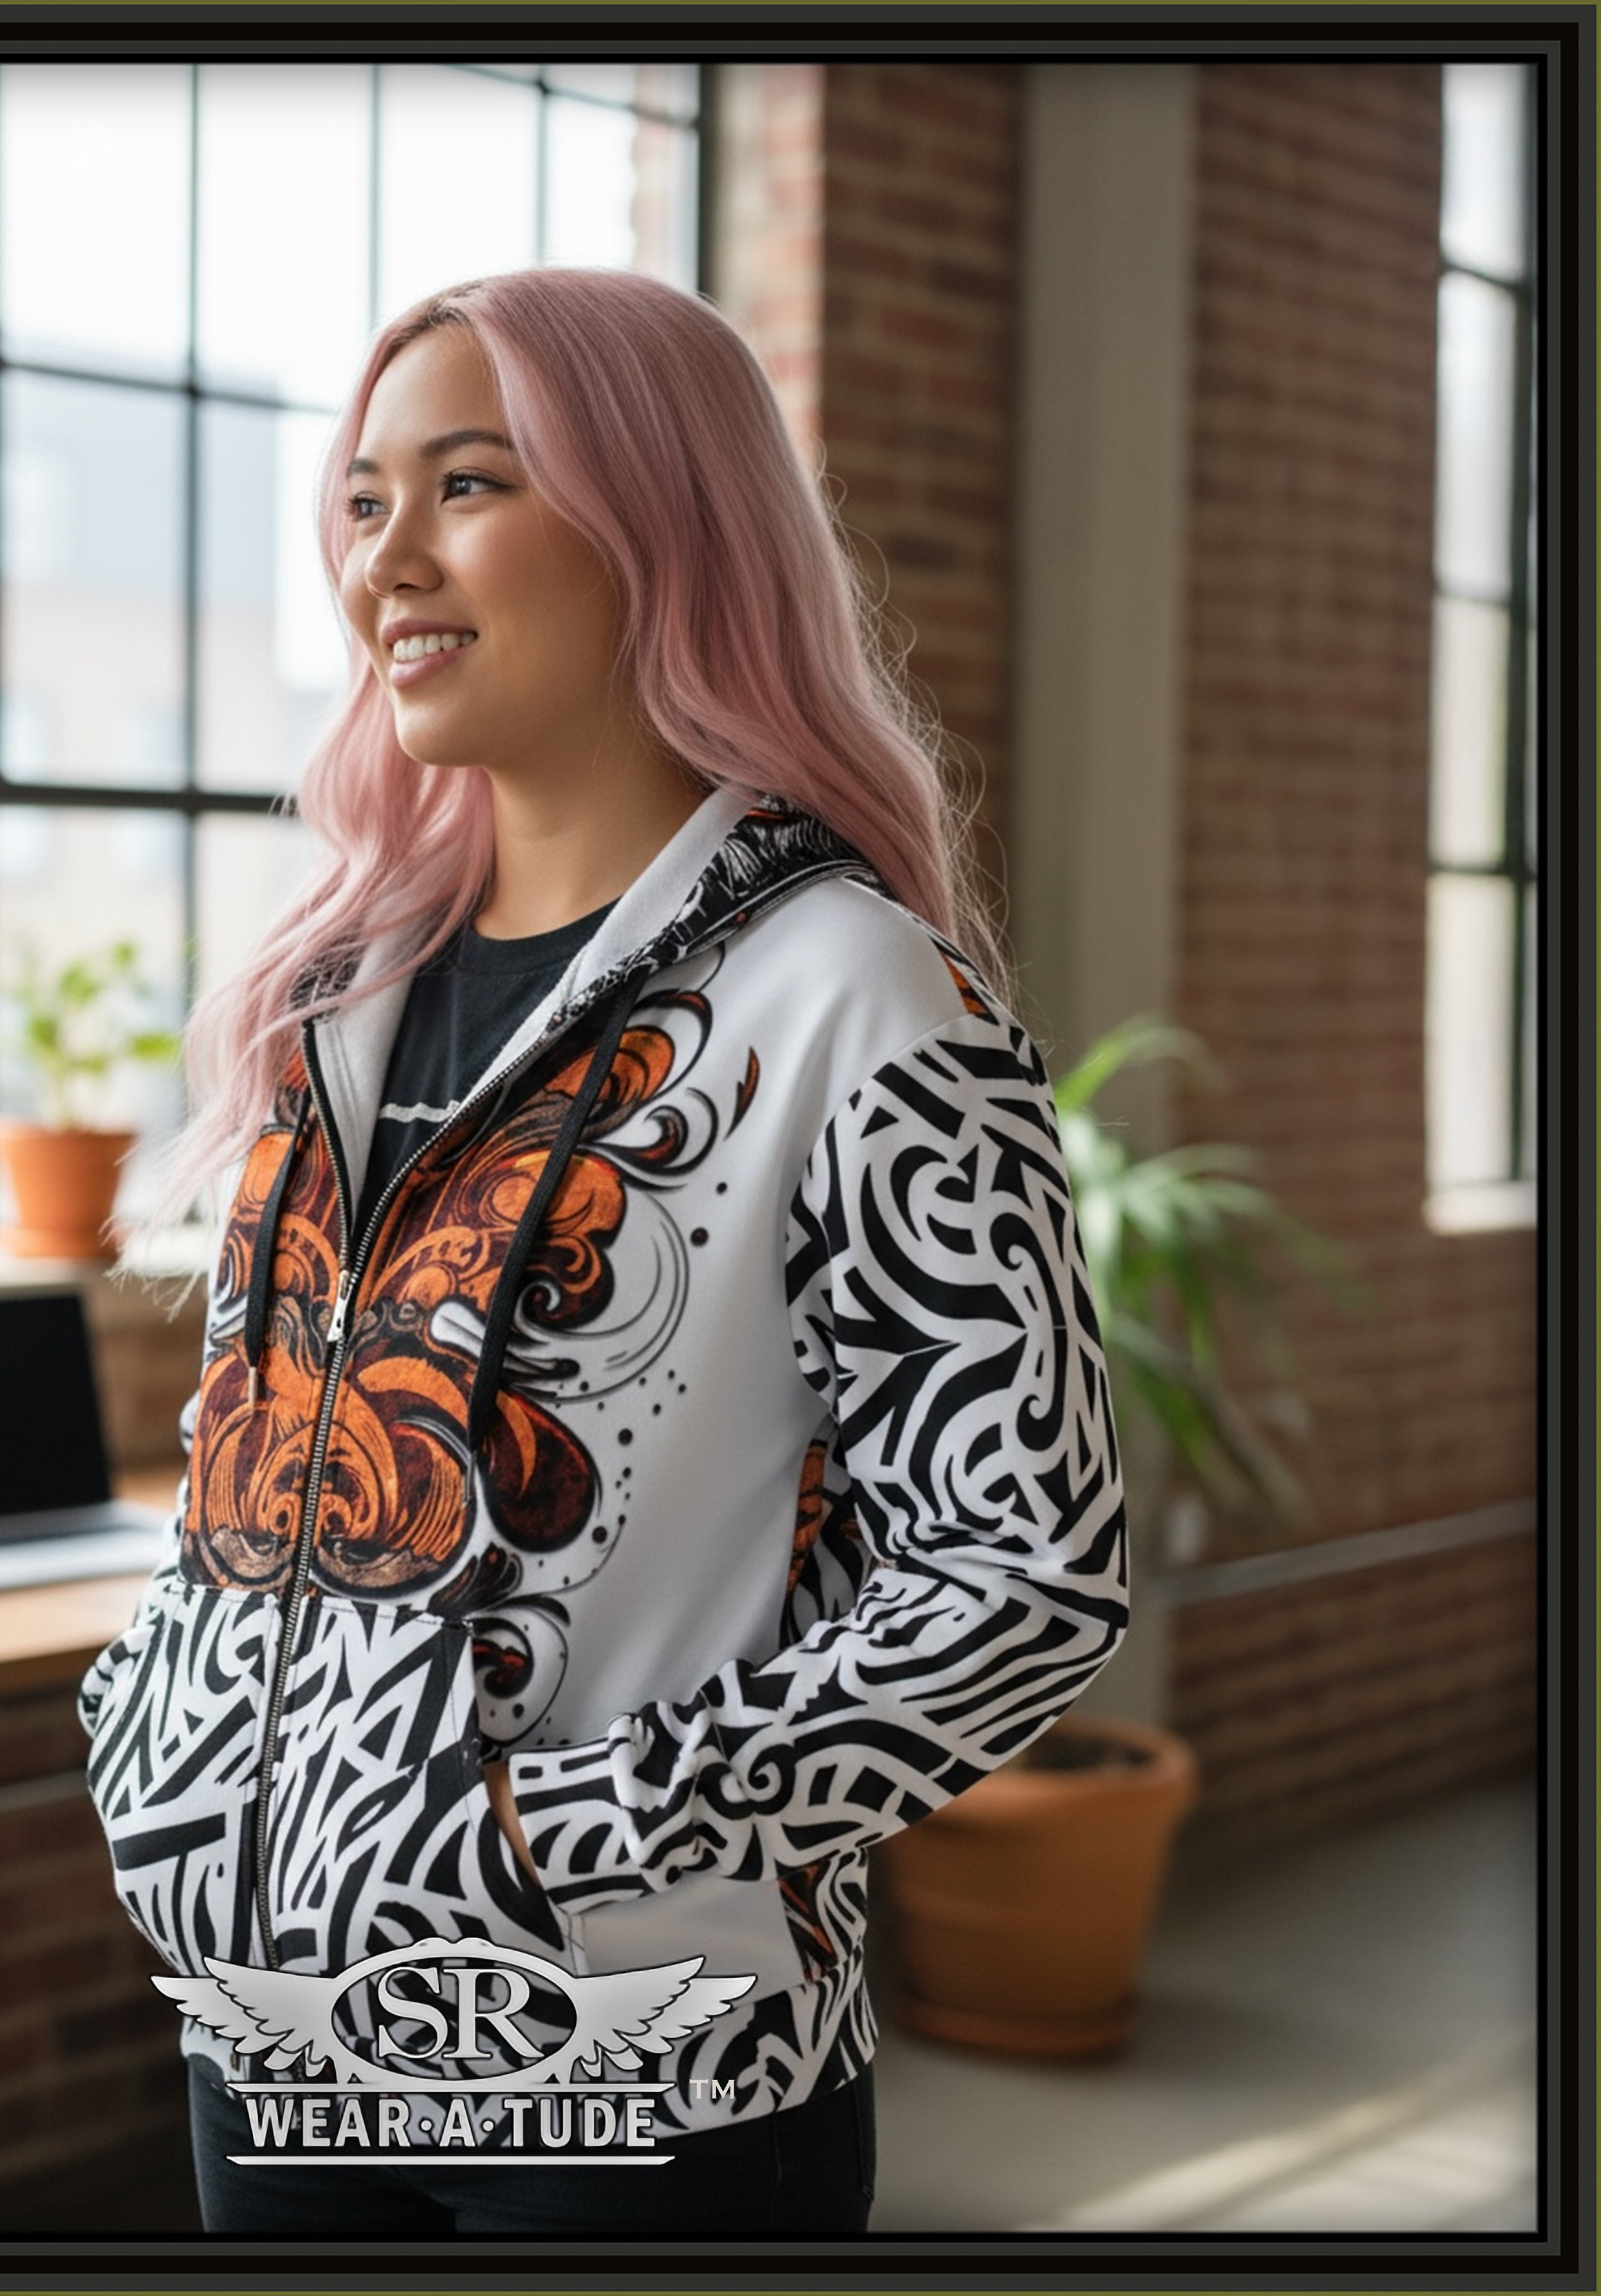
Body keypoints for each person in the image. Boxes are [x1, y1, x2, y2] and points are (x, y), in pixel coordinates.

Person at [79, 267, 1128, 2241]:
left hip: (641, 2063)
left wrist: (566, 1833)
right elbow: (252, 1457)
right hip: (271, 2032)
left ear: (662, 522)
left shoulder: (856, 995)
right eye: (365, 499)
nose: (390, 555)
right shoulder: (328, 996)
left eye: (467, 483)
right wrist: (159, 1729)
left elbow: (1023, 1573)